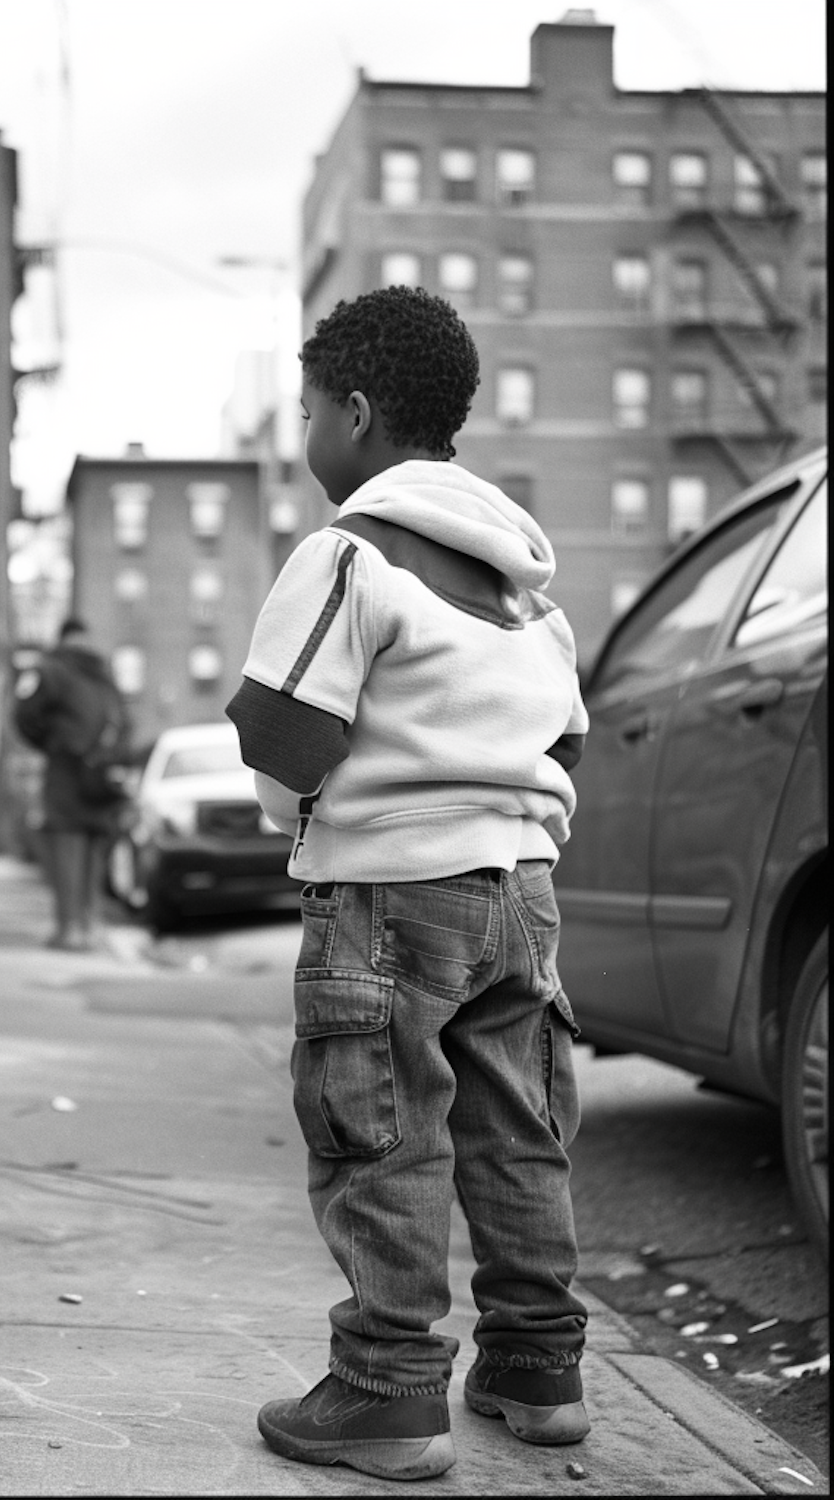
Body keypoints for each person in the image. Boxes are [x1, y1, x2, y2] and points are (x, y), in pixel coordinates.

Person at [226, 285, 591, 1483]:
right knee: (517, 1131)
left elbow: (280, 728)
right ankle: (537, 1372)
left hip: (389, 894)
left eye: (310, 409)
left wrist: (308, 812)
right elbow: (564, 743)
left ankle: (387, 1391)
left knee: (381, 1137)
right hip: (520, 893)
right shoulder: (527, 588)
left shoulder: (350, 551)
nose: (304, 433)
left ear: (359, 412)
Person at [13, 617, 131, 950]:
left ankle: (70, 930)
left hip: (67, 768)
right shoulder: (105, 676)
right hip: (101, 773)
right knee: (93, 844)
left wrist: (50, 742)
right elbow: (126, 722)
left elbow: (23, 715)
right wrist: (109, 755)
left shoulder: (51, 669)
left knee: (68, 841)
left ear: (62, 639)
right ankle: (89, 925)